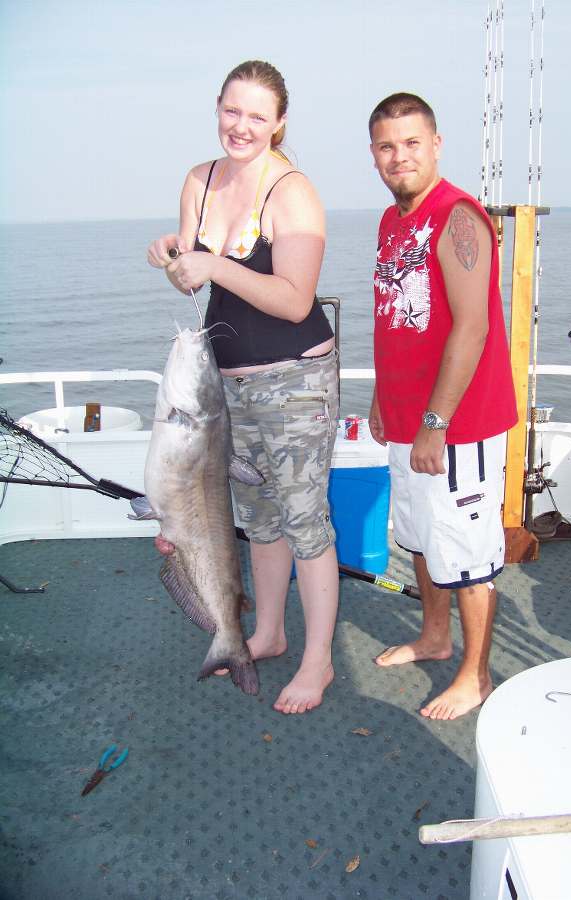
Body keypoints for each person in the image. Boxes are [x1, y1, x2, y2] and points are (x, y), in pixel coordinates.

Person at [147, 61, 339, 715]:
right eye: (233, 111)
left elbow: (293, 300)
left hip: (294, 380)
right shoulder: (197, 182)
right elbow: (193, 284)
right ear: (218, 108)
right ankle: (268, 631)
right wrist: (176, 257)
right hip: (219, 384)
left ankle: (318, 662)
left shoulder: (291, 193)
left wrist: (215, 261)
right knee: (257, 519)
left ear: (278, 123)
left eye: (257, 116)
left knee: (304, 520)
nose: (242, 126)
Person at [367, 93, 518, 720]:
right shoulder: (391, 220)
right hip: (407, 419)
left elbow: (472, 329)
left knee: (468, 551)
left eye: (411, 143)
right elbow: (397, 316)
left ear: (435, 144)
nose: (399, 156)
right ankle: (435, 637)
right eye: (385, 146)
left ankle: (475, 675)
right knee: (423, 539)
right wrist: (381, 396)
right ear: (373, 153)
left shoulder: (458, 216)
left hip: (459, 427)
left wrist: (435, 423)